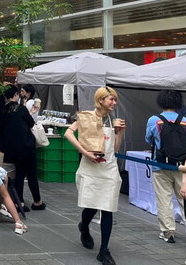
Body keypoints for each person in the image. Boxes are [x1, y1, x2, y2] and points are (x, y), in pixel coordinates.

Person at [64, 86, 125, 265]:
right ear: (100, 100)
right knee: (91, 206)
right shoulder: (87, 117)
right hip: (90, 168)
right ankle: (84, 227)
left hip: (109, 167)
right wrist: (85, 152)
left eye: (115, 99)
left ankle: (104, 250)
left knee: (107, 208)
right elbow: (68, 133)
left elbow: (115, 149)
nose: (114, 102)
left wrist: (120, 132)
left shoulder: (114, 120)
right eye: (111, 99)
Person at [145, 89, 186, 243]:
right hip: (182, 166)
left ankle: (168, 232)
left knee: (164, 199)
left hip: (160, 165)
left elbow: (148, 139)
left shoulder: (154, 120)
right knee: (185, 199)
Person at [0, 85, 45, 212]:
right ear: (16, 95)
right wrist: (31, 113)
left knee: (19, 174)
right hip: (26, 147)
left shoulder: (1, 111)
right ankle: (37, 202)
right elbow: (31, 123)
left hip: (10, 150)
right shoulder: (20, 108)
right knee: (31, 174)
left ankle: (19, 202)